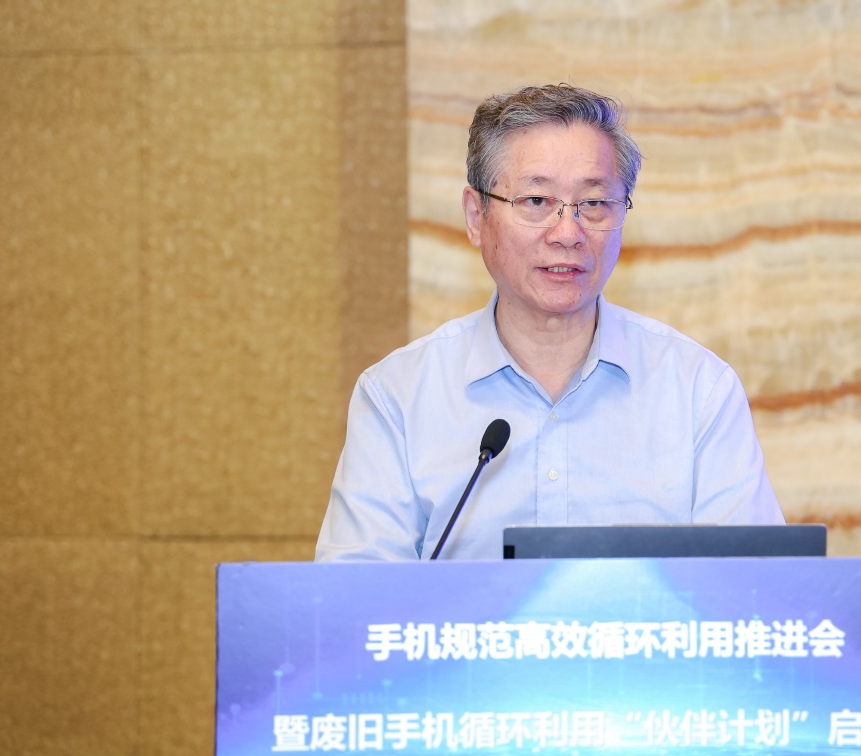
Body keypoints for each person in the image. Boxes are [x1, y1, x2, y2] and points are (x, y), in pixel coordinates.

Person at [316, 84, 782, 561]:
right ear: (476, 216)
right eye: (537, 201)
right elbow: (352, 595)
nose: (567, 233)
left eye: (594, 203)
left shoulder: (698, 391)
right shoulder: (398, 396)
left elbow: (757, 588)